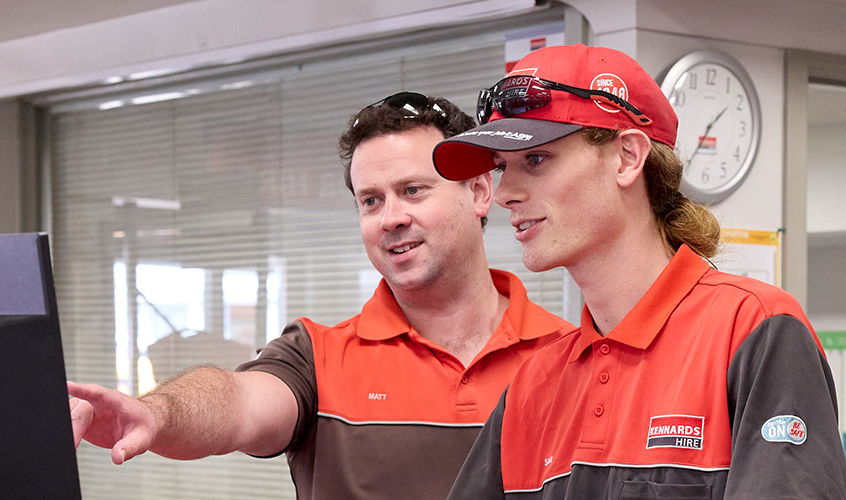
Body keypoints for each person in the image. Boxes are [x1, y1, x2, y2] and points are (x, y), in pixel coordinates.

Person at [66, 91, 574, 500]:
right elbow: (238, 404)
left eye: (413, 190)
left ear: (481, 193)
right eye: (370, 200)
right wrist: (156, 415)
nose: (390, 218)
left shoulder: (572, 355)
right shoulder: (317, 357)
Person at [432, 43, 846, 499]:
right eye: (501, 167)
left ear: (628, 157)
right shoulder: (532, 387)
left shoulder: (754, 331)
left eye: (536, 160)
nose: (505, 192)